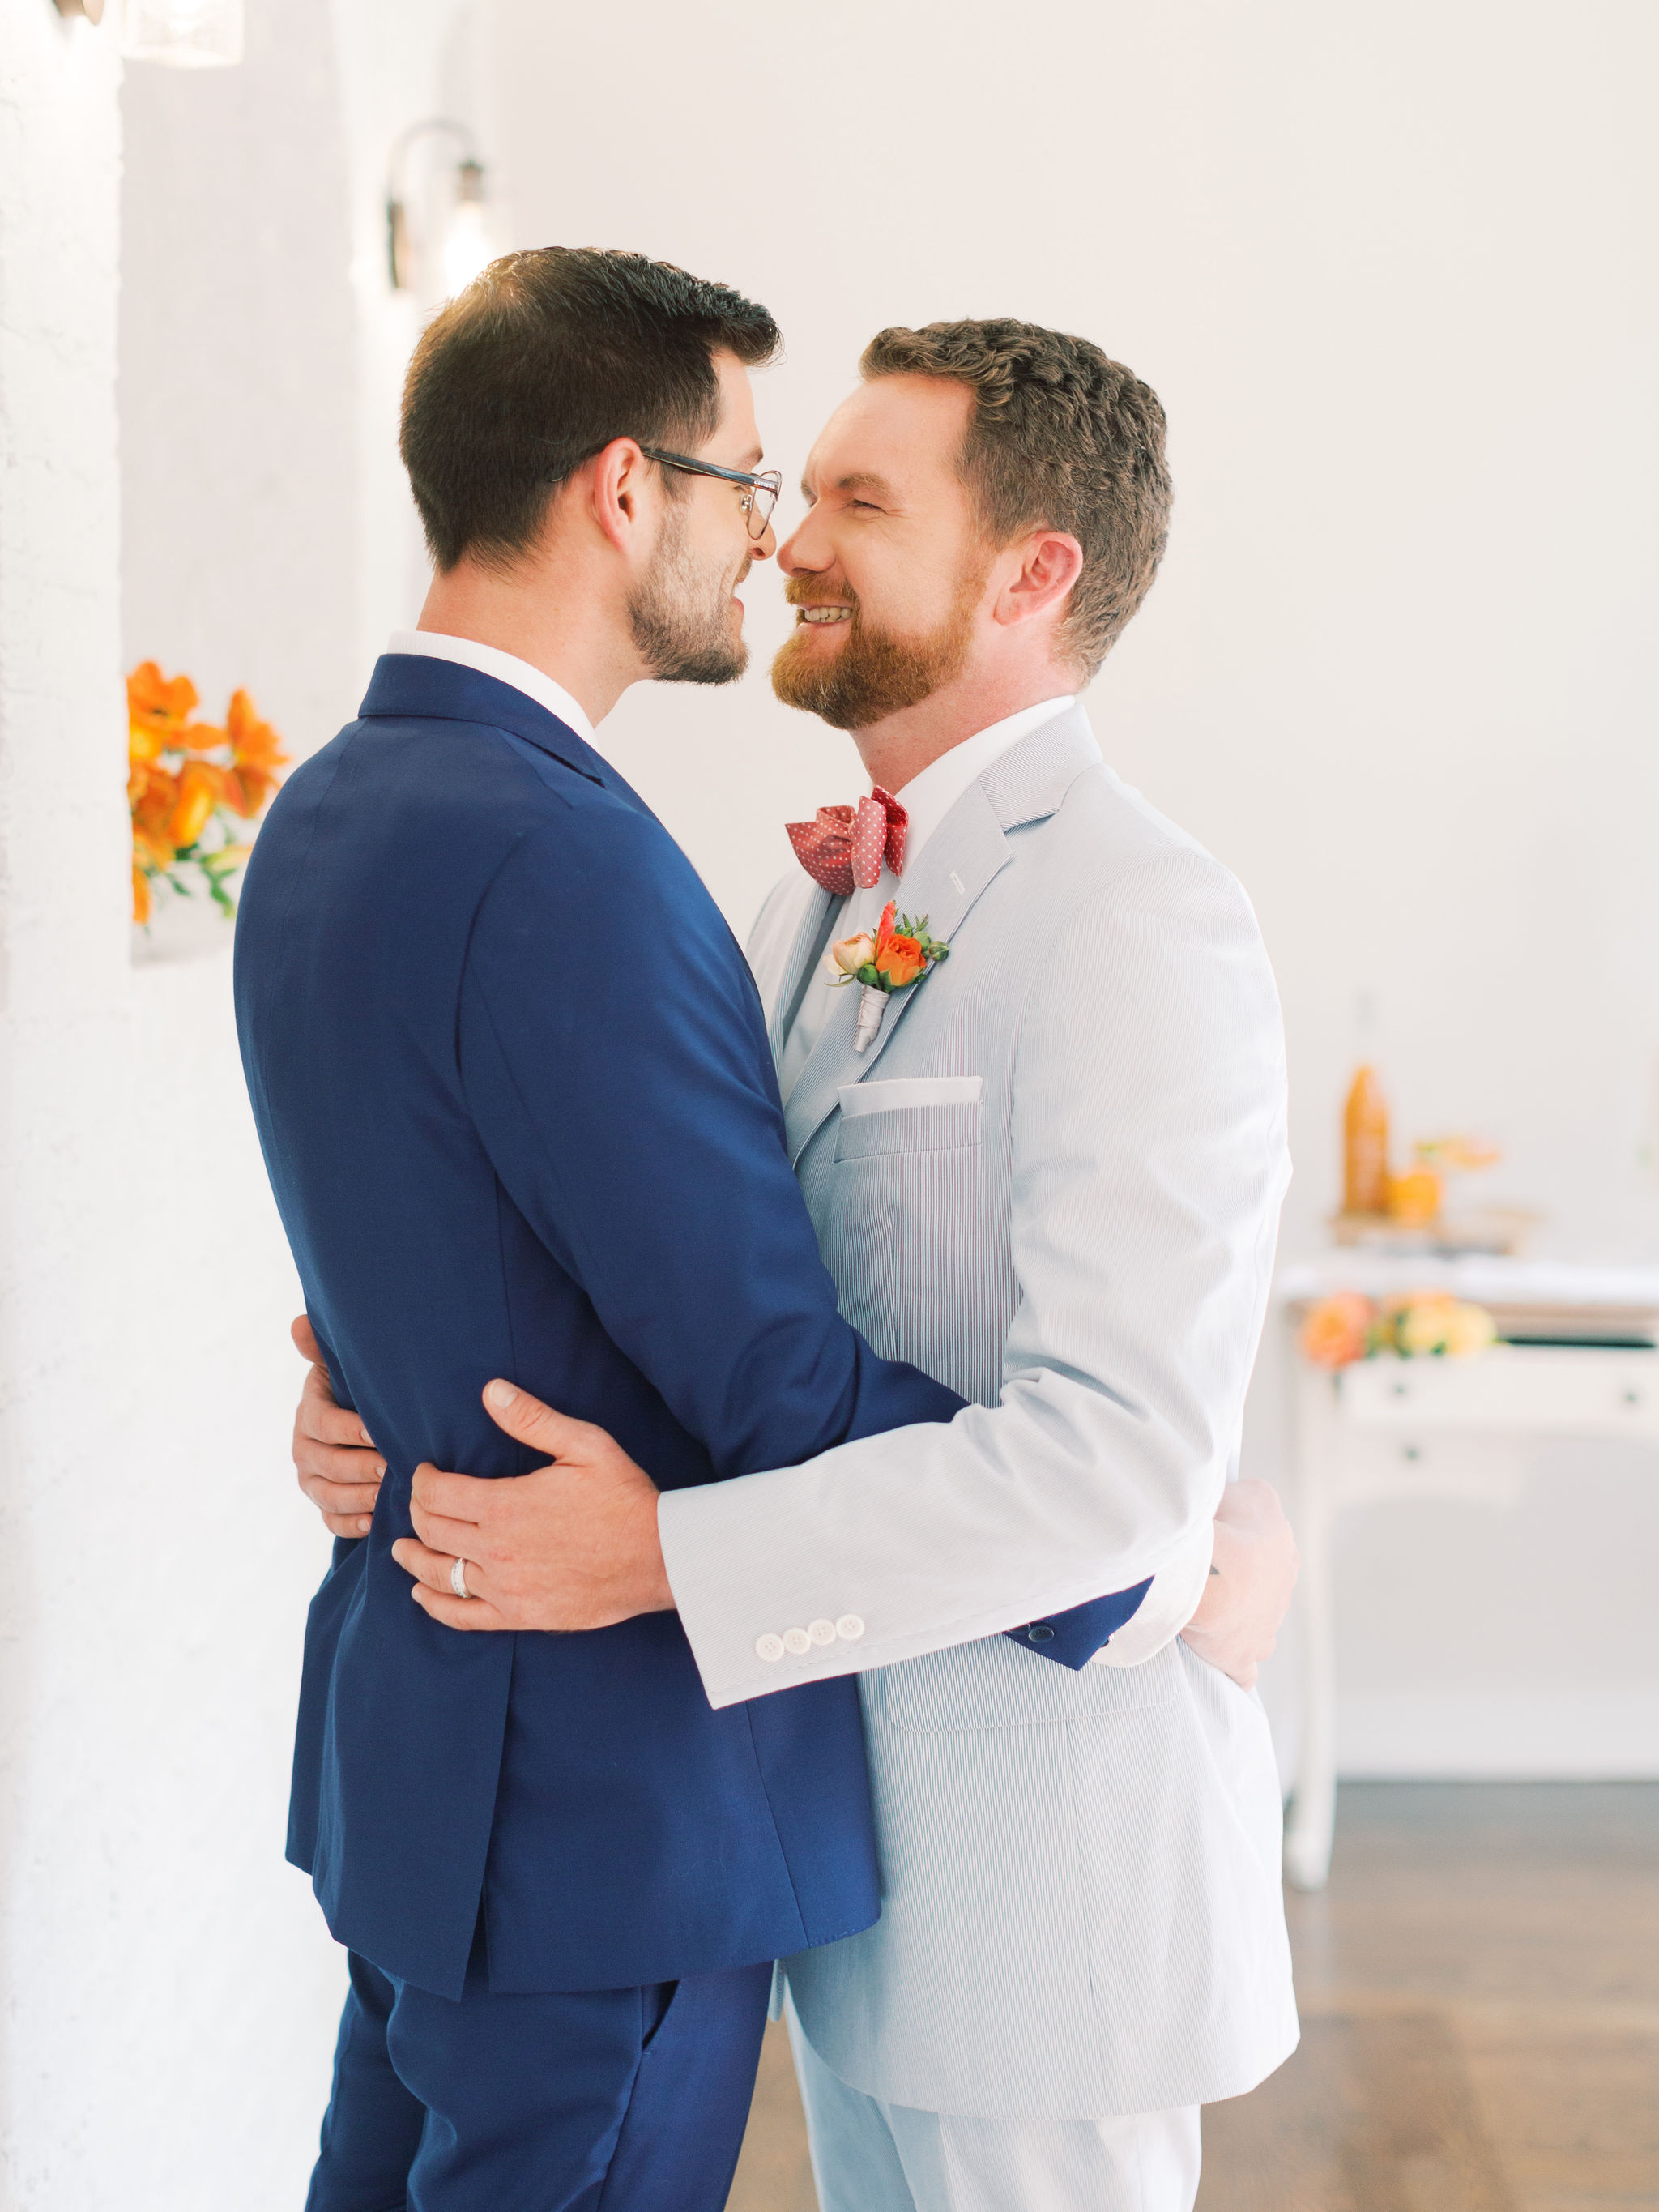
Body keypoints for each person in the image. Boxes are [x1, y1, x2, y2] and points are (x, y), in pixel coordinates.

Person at [238, 253, 1239, 2212]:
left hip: (924, 1846)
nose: (780, 543)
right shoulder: (611, 861)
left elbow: (1094, 1419)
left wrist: (1150, 1552)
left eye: (853, 502)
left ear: (1031, 573)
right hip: (605, 1789)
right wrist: (384, 1396)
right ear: (627, 490)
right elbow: (733, 1339)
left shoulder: (336, 806)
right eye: (766, 486)